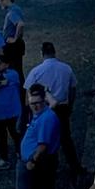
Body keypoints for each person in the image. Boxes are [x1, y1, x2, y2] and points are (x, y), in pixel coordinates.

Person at [25, 41, 81, 176]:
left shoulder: (36, 71)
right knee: (65, 138)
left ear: (42, 54)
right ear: (54, 52)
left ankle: (44, 164)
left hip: (43, 108)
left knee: (44, 138)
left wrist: (31, 111)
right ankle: (75, 166)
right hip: (62, 107)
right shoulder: (66, 68)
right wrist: (70, 105)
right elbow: (73, 88)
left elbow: (28, 91)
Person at [18, 84, 60, 189]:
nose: (35, 106)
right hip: (39, 161)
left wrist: (33, 160)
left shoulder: (46, 118)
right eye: (32, 103)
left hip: (40, 163)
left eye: (38, 102)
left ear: (44, 102)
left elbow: (43, 145)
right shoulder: (42, 115)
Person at [0, 53, 23, 169]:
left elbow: (6, 82)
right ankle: (4, 159)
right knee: (1, 137)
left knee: (16, 134)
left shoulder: (13, 74)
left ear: (7, 64)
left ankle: (21, 154)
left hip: (12, 111)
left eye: (1, 62)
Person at [0, 0, 25, 70]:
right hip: (16, 45)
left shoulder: (12, 11)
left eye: (2, 0)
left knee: (13, 70)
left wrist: (15, 39)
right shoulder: (16, 9)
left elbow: (20, 24)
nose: (0, 2)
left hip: (12, 47)